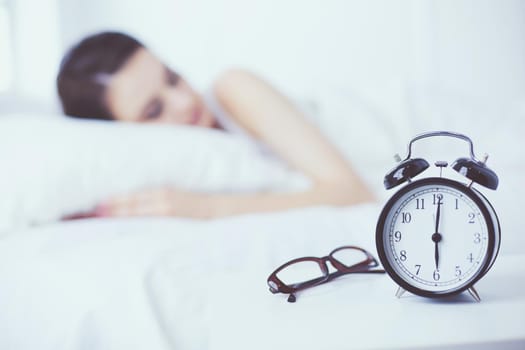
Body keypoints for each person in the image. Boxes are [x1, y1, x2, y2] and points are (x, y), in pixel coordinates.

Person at [56, 31, 374, 219]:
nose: (183, 102)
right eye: (154, 111)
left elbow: (353, 192)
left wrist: (205, 208)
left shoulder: (232, 88)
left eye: (173, 78)